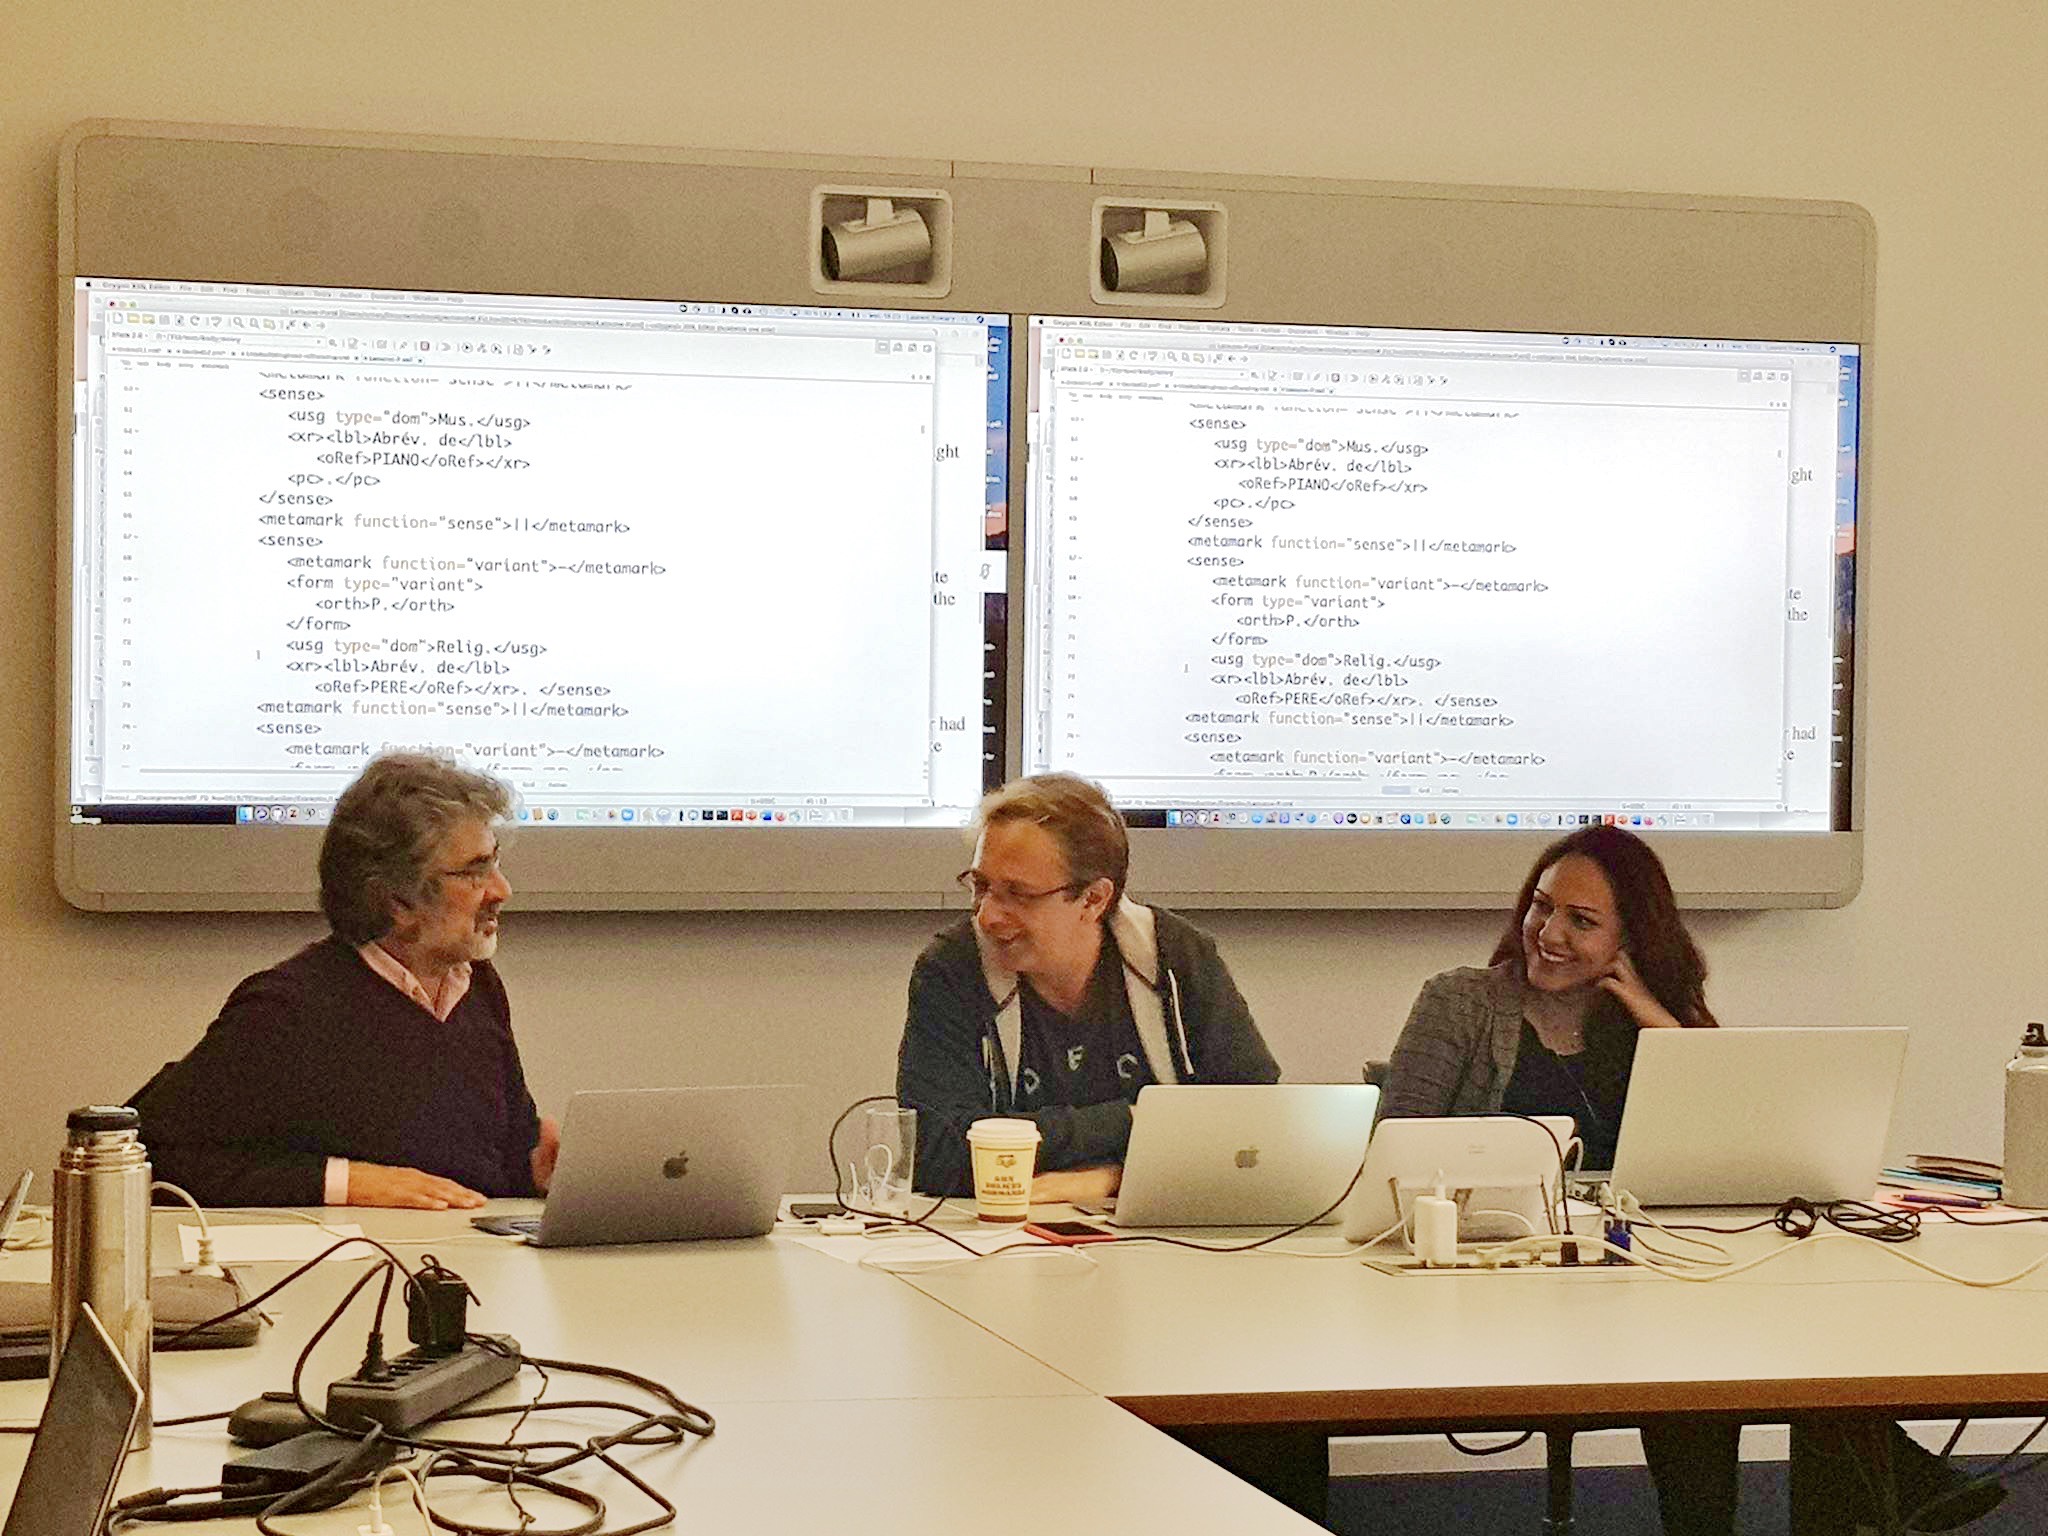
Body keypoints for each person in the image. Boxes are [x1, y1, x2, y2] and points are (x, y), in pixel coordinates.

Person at [1381, 824, 1999, 1536]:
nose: (1548, 933)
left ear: (1630, 940)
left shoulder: (1649, 1017)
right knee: (1696, 1331)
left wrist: (1658, 1023)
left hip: (1638, 1273)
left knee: (1719, 1320)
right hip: (1504, 1272)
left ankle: (1836, 1487)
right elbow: (1395, 1153)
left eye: (1581, 921)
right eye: (1542, 907)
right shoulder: (1461, 1002)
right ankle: (1880, 1469)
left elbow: (1735, 1148)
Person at [131, 753, 558, 1210]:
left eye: (495, 862)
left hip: (471, 1248)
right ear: (396, 900)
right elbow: (143, 1153)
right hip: (359, 1252)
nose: (502, 890)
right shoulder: (289, 1009)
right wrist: (342, 1181)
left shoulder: (478, 987)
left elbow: (496, 1162)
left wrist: (540, 1166)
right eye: (475, 871)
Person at [898, 773, 1279, 1206]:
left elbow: (1255, 1122)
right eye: (981, 885)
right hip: (1001, 1232)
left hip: (1161, 1225)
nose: (988, 916)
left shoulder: (1176, 958)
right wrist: (1136, 1120)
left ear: (1094, 899)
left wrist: (1114, 1177)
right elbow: (936, 1151)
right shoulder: (952, 970)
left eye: (1018, 894)